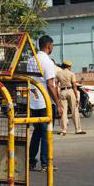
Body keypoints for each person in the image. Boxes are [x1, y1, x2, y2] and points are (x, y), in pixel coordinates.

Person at [27, 34, 62, 170]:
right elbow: (51, 84)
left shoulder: (31, 60)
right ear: (49, 46)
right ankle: (46, 163)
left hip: (33, 102)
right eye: (52, 45)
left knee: (37, 132)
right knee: (47, 133)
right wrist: (58, 104)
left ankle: (30, 161)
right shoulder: (48, 62)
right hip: (45, 102)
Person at [55, 60, 85, 135]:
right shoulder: (71, 74)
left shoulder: (58, 74)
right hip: (70, 91)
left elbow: (56, 85)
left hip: (62, 92)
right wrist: (76, 96)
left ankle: (63, 130)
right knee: (74, 110)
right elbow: (74, 86)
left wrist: (57, 96)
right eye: (70, 66)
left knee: (63, 111)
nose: (71, 67)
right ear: (68, 66)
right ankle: (78, 129)